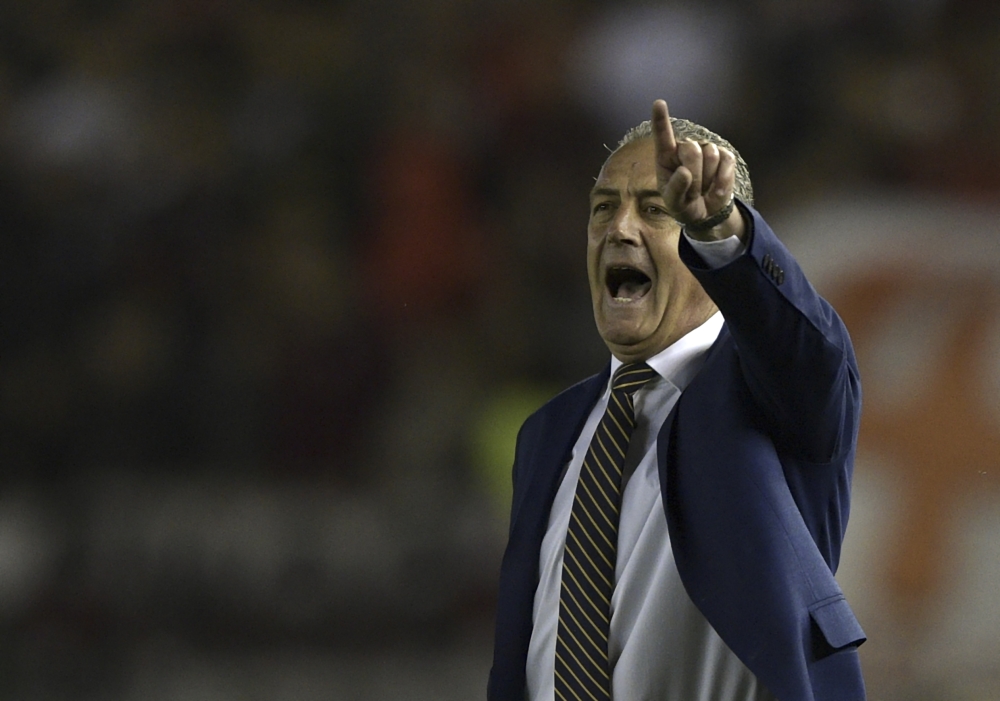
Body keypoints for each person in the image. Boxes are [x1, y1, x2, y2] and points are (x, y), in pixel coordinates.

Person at [487, 100, 866, 701]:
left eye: (656, 209)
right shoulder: (549, 430)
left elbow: (800, 348)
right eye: (603, 208)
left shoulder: (771, 388)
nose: (619, 228)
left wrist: (722, 230)